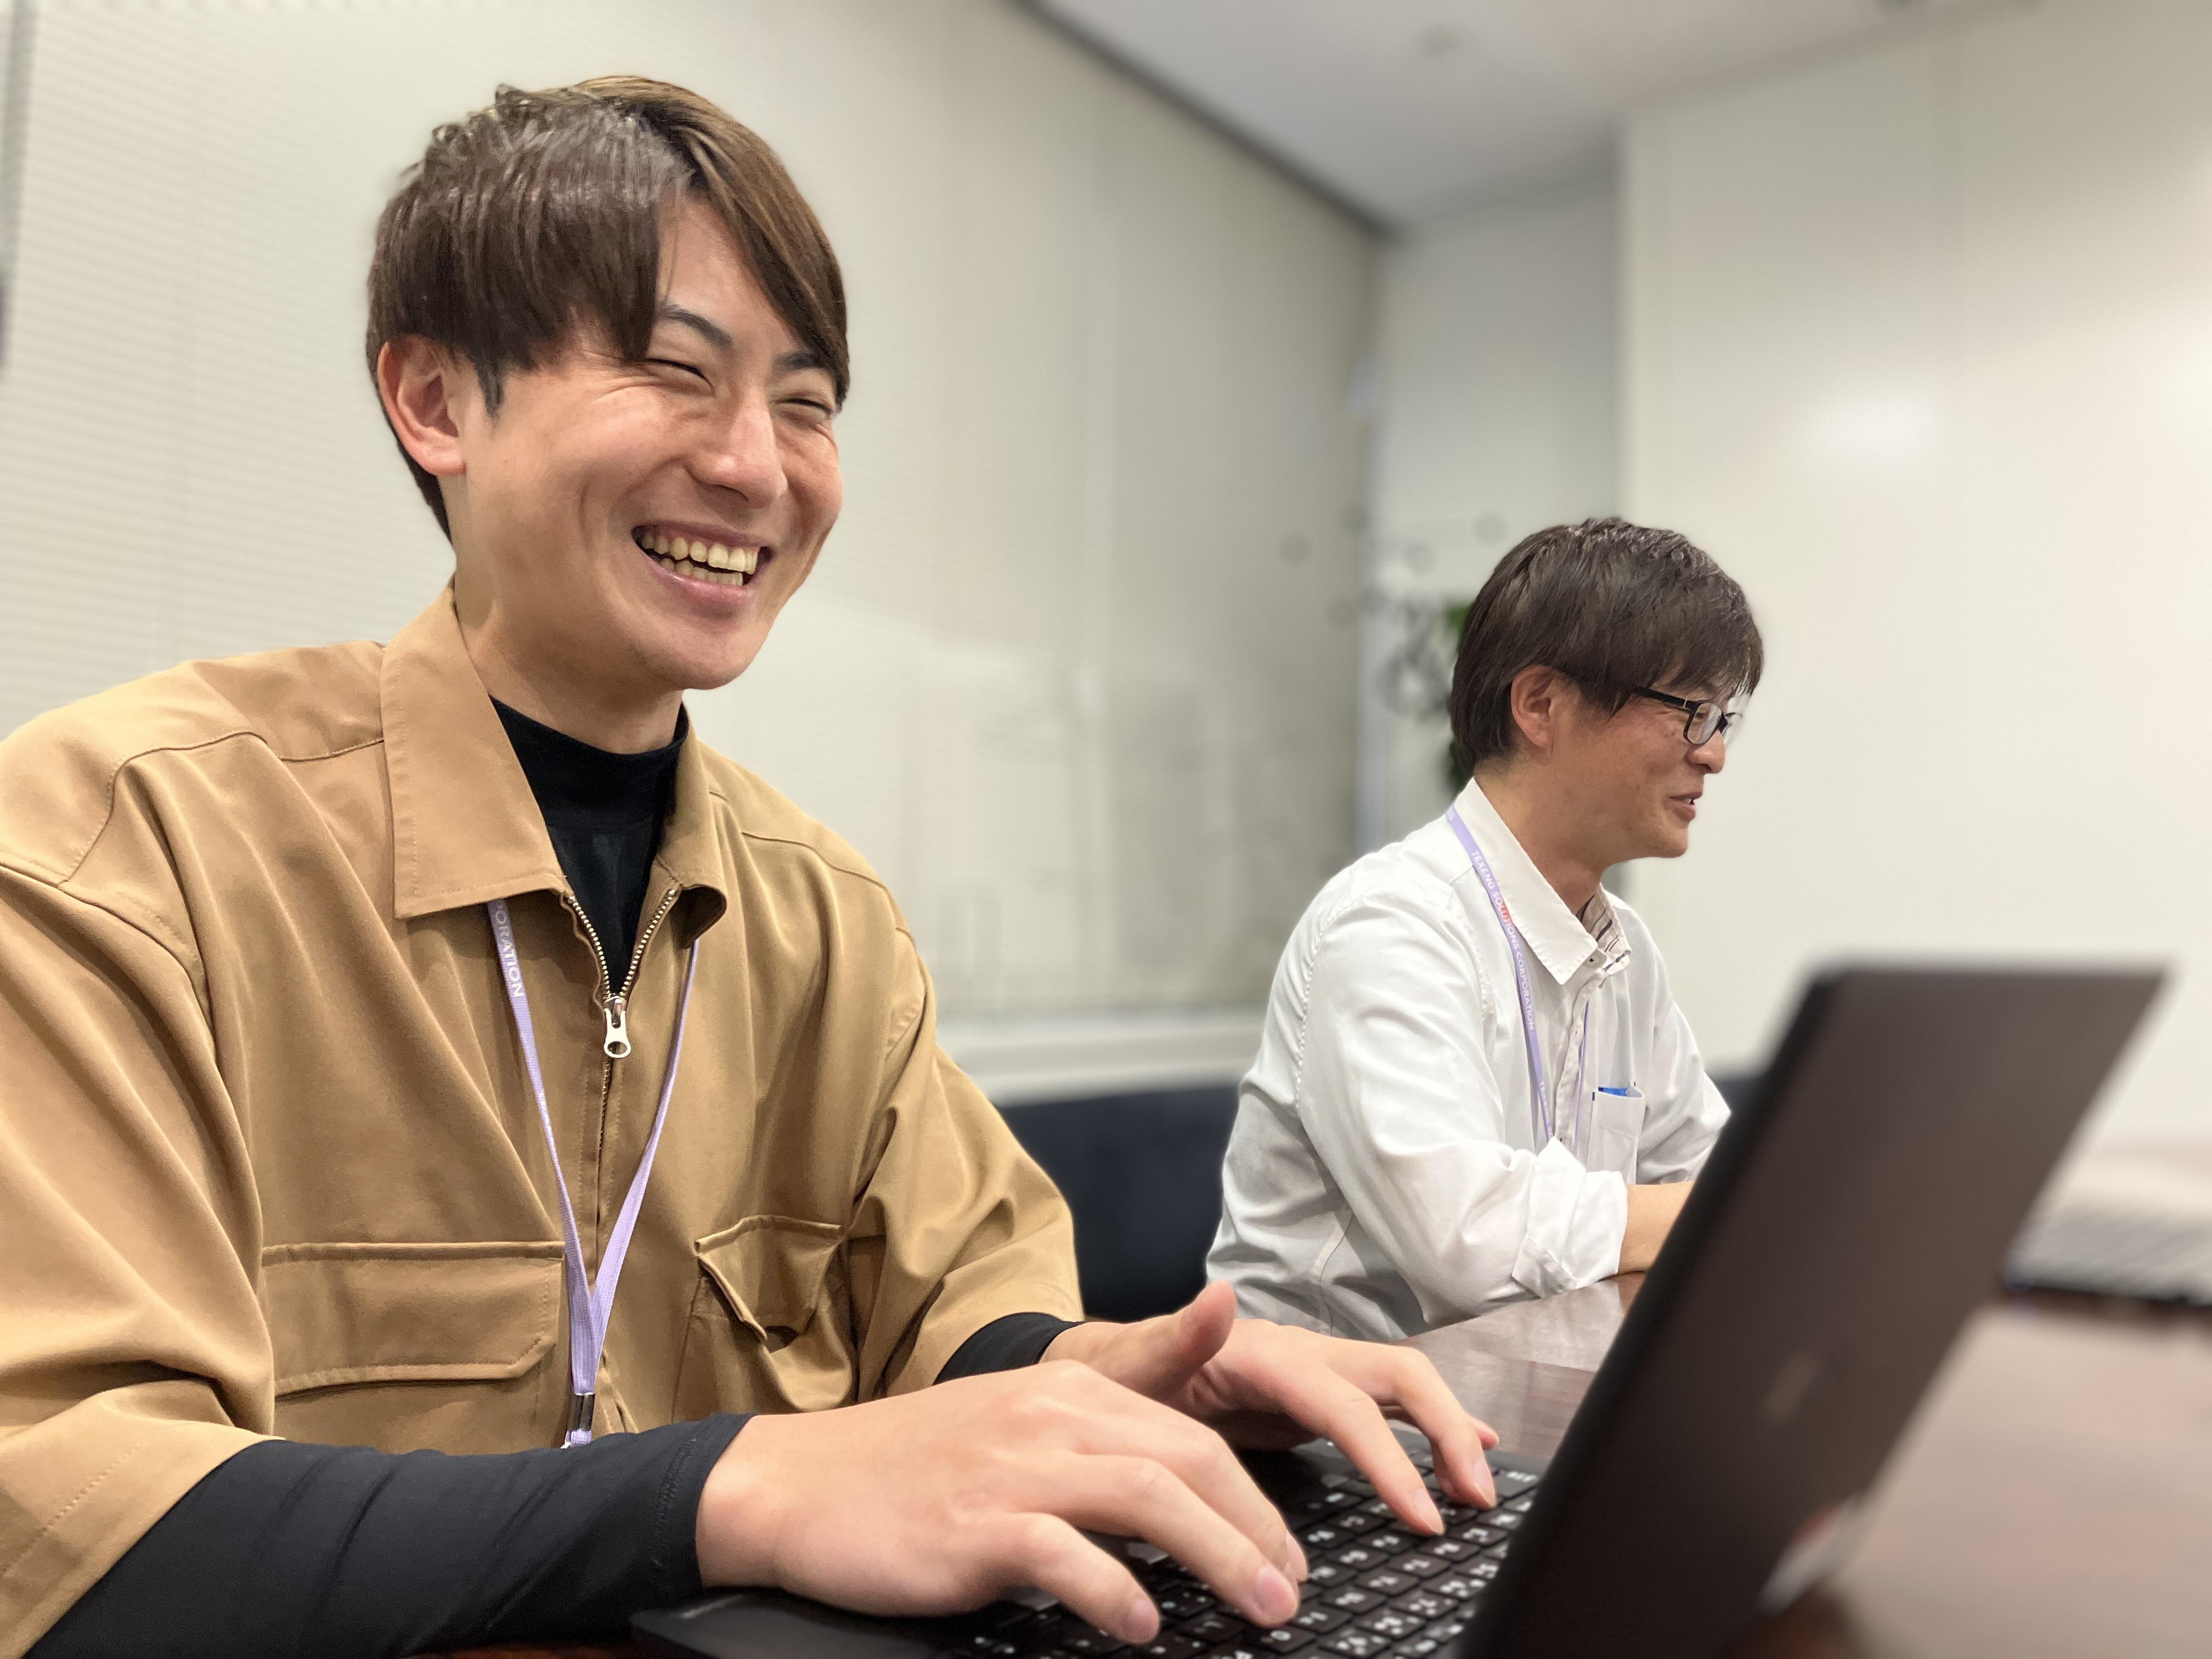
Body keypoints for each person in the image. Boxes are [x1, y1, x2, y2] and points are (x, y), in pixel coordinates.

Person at [0, 79, 1498, 1659]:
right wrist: (729, 1489)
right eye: (675, 371)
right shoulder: (129, 844)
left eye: (806, 401)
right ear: (436, 400)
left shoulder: (823, 917)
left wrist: (1093, 1379)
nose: (754, 466)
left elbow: (953, 1302)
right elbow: (57, 1512)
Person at [1209, 518, 1762, 1339]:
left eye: (1722, 718)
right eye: (1691, 712)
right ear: (1541, 705)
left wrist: (1719, 1209)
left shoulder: (1624, 952)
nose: (1713, 755)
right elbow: (1469, 1240)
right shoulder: (1392, 924)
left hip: (1521, 1382)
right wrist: (1711, 1213)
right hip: (1338, 1404)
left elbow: (1710, 1174)